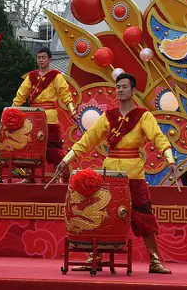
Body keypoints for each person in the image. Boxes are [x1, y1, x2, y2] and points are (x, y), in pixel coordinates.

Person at [52, 73, 177, 274]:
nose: (120, 89)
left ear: (133, 90)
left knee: (144, 216)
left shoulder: (143, 116)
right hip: (110, 176)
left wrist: (169, 159)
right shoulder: (108, 116)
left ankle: (154, 261)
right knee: (102, 216)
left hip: (134, 175)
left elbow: (158, 137)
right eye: (118, 86)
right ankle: (95, 257)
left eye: (124, 86)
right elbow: (88, 139)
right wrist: (66, 160)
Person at [12, 47, 77, 180]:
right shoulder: (32, 76)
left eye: (43, 57)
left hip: (50, 117)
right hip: (33, 117)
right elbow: (21, 94)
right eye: (39, 57)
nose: (40, 60)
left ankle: (60, 176)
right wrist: (12, 110)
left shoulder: (56, 76)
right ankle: (30, 177)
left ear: (49, 59)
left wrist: (73, 111)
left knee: (53, 147)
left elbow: (65, 94)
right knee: (32, 147)